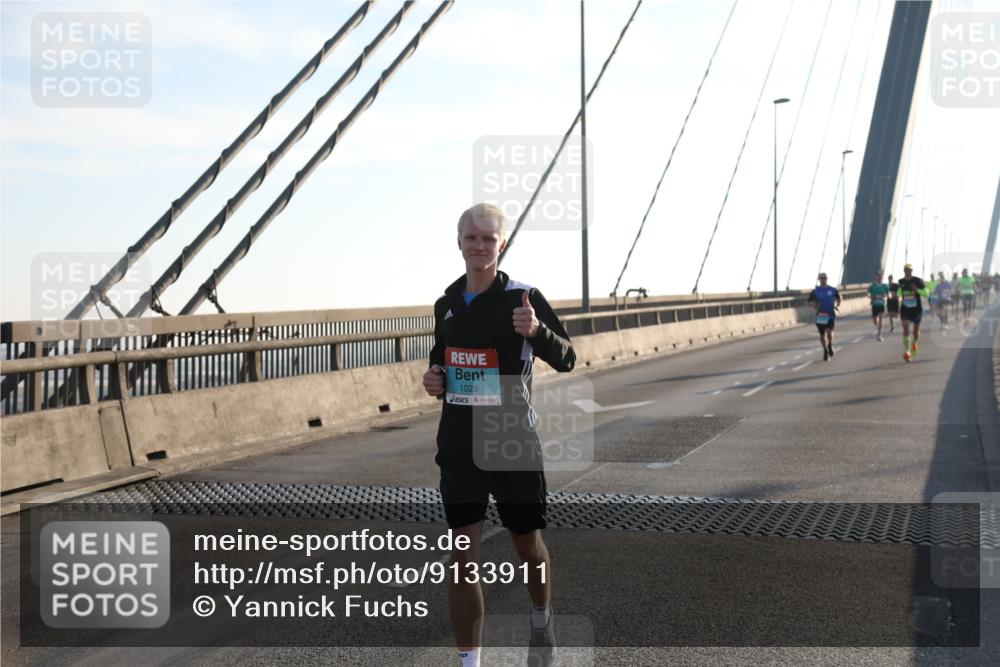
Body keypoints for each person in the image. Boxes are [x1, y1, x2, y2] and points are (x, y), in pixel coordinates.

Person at [422, 203, 575, 667]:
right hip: (459, 447)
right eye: (472, 238)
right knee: (462, 555)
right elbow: (440, 363)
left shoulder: (524, 298)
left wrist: (539, 331)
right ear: (459, 242)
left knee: (527, 547)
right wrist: (434, 380)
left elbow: (567, 357)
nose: (479, 246)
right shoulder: (446, 304)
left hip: (512, 443)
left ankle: (540, 617)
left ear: (501, 245)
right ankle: (470, 663)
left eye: (488, 239)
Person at [808, 272, 841, 361]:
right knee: (822, 335)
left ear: (827, 279)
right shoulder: (816, 291)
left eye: (824, 278)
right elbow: (809, 301)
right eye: (821, 278)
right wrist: (814, 306)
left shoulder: (832, 290)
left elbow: (839, 298)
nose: (823, 280)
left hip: (830, 314)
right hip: (821, 315)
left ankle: (830, 345)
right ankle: (825, 350)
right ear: (819, 280)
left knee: (829, 331)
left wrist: (837, 305)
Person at [897, 263, 926, 362]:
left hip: (916, 309)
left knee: (915, 332)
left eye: (909, 270)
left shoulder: (918, 281)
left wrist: (916, 289)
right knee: (905, 327)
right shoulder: (900, 282)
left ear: (912, 271)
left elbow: (926, 293)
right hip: (905, 309)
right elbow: (899, 293)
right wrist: (897, 296)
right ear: (904, 271)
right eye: (906, 270)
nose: (908, 272)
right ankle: (907, 352)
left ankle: (914, 343)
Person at [867, 270, 889, 341]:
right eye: (878, 276)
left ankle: (879, 334)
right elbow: (868, 293)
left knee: (881, 319)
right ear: (876, 277)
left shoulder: (885, 286)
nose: (879, 277)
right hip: (874, 304)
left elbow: (889, 293)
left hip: (882, 304)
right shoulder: (873, 286)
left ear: (882, 277)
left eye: (880, 276)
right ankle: (878, 327)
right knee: (875, 321)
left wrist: (886, 295)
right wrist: (871, 296)